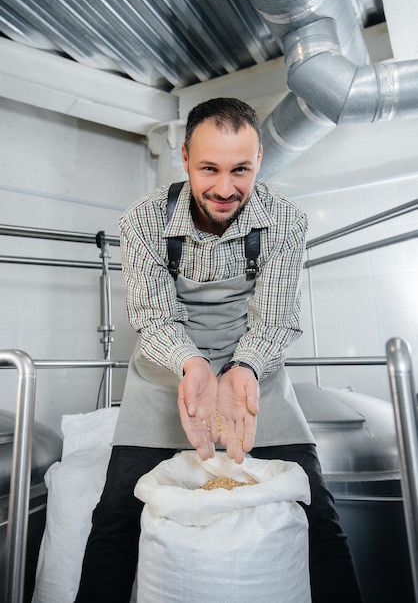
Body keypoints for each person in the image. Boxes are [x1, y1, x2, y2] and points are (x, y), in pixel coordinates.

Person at [75, 97, 362, 603]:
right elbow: (153, 317)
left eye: (241, 170)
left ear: (260, 162)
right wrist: (191, 366)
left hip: (254, 375)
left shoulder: (285, 220)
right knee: (117, 515)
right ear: (184, 157)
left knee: (316, 509)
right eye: (209, 168)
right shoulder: (143, 220)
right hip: (165, 376)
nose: (226, 188)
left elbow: (273, 318)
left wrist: (243, 367)